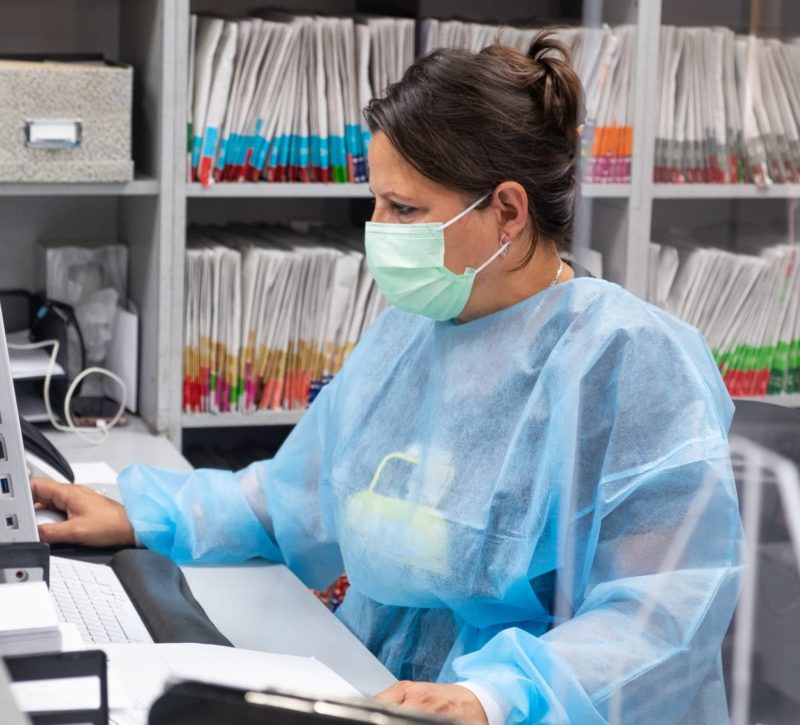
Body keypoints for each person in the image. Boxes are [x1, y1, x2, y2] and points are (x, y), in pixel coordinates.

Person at [32, 31, 742, 724]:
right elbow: (301, 495)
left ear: (506, 211)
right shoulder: (413, 330)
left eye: (404, 209)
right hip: (375, 684)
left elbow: (662, 614)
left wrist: (497, 695)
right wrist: (144, 515)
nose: (377, 229)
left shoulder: (631, 362)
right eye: (377, 202)